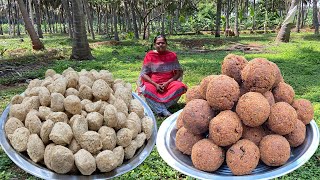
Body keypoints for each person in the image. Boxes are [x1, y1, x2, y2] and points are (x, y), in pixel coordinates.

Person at [138, 35, 187, 117]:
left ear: (166, 44)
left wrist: (167, 83)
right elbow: (144, 74)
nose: (160, 45)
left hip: (169, 84)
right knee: (144, 88)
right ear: (155, 45)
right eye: (158, 43)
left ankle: (159, 108)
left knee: (181, 87)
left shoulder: (172, 55)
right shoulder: (150, 55)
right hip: (153, 84)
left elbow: (178, 73)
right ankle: (163, 110)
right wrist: (155, 84)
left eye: (162, 43)